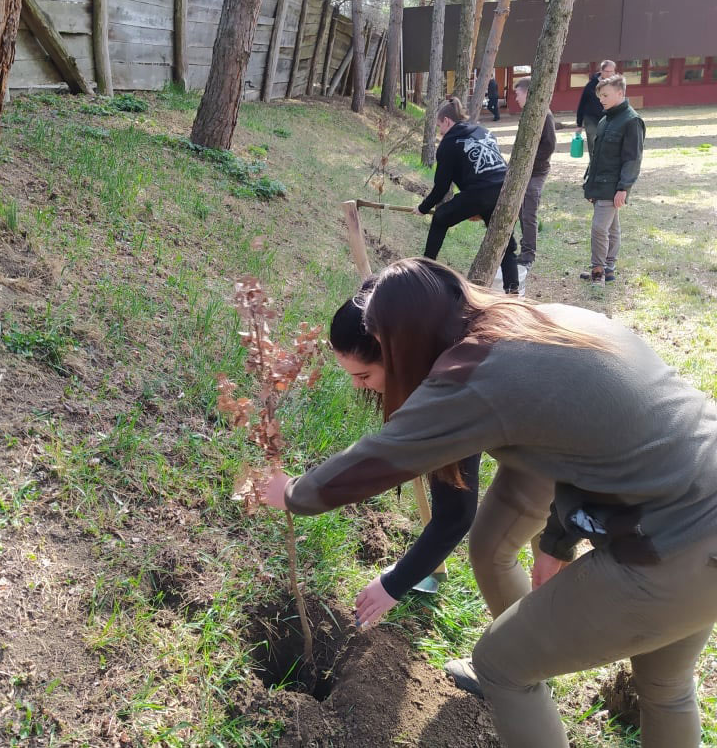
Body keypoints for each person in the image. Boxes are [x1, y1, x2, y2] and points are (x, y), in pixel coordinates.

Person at [266, 257, 717, 748]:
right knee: (665, 686)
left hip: (677, 542)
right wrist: (557, 541)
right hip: (697, 496)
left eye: (366, 371)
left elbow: (384, 456)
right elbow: (583, 439)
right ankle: (532, 667)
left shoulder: (475, 376)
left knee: (501, 665)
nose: (360, 387)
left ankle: (521, 675)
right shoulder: (528, 324)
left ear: (402, 346)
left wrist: (293, 493)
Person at [330, 283, 482, 609]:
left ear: (396, 356)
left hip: (563, 445)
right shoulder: (434, 338)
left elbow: (455, 514)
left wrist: (392, 585)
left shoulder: (453, 394)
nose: (356, 386)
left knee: (496, 548)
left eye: (363, 374)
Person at [413, 97, 519, 294]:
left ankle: (425, 268)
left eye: (439, 127)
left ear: (447, 121)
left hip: (480, 192)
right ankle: (513, 290)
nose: (440, 132)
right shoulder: (482, 131)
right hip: (505, 191)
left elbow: (442, 187)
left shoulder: (449, 144)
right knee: (504, 241)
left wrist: (423, 208)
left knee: (440, 217)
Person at [579, 74, 645, 285]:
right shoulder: (605, 119)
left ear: (620, 93)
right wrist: (590, 185)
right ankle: (609, 269)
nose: (601, 99)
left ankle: (598, 271)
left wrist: (624, 188)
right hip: (599, 184)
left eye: (605, 95)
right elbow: (596, 156)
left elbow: (633, 158)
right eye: (600, 96)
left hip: (614, 186)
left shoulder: (632, 121)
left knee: (600, 227)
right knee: (611, 227)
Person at [512, 76, 557, 270]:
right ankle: (521, 249)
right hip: (523, 171)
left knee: (529, 212)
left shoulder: (544, 115)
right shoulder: (528, 114)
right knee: (520, 212)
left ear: (528, 93)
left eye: (517, 94)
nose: (515, 98)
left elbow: (548, 146)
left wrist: (529, 162)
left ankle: (529, 255)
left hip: (536, 172)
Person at [576, 59, 616, 159]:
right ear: (601, 71)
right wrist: (579, 124)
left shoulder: (617, 86)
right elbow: (582, 104)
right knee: (593, 143)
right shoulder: (591, 85)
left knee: (608, 144)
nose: (609, 74)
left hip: (609, 118)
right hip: (591, 118)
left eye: (612, 71)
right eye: (607, 71)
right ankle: (593, 165)